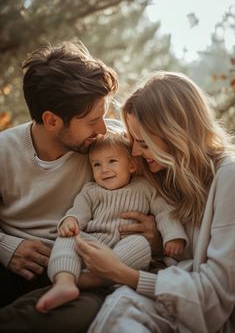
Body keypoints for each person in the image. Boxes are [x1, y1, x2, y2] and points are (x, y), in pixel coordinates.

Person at [0, 42, 160, 333]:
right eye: (91, 121)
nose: (102, 128)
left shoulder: (113, 146)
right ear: (51, 121)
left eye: (103, 114)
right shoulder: (4, 151)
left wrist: (156, 235)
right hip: (12, 266)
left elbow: (160, 193)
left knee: (82, 313)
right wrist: (5, 246)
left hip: (82, 269)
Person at [75, 71, 235, 333]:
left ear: (175, 134)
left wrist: (121, 273)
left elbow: (217, 295)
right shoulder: (169, 175)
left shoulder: (229, 178)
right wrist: (160, 244)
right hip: (167, 299)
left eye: (143, 143)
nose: (135, 153)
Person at [36, 132, 188, 312]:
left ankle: (94, 279)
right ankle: (64, 282)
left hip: (125, 250)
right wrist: (70, 221)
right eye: (96, 164)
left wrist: (173, 237)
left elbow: (165, 212)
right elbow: (78, 211)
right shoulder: (91, 190)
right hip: (95, 245)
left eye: (112, 161)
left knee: (140, 243)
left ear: (131, 166)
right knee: (69, 237)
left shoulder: (145, 187)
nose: (104, 169)